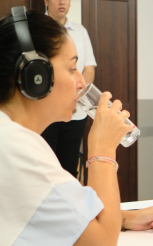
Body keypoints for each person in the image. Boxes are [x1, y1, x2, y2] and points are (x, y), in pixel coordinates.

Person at [0, 9, 153, 246]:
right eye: (72, 68)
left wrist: (123, 218)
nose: (81, 82)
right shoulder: (18, 150)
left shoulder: (12, 138)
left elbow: (48, 214)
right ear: (35, 77)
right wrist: (102, 150)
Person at [41, 0, 97, 177]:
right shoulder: (36, 28)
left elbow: (89, 68)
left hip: (76, 111)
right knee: (46, 168)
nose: (62, 2)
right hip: (45, 111)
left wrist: (74, 95)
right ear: (46, 1)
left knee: (69, 168)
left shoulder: (80, 31)